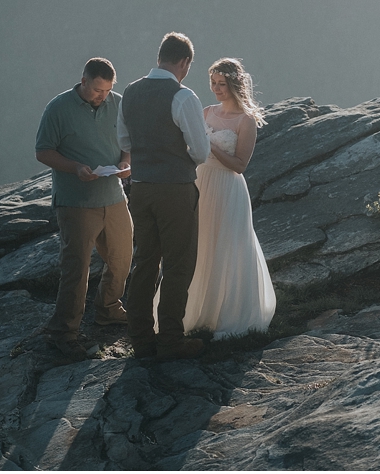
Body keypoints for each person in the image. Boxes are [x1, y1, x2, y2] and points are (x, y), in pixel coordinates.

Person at [156, 58, 276, 339]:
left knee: (227, 246)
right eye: (213, 82)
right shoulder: (207, 111)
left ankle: (225, 314)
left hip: (227, 187)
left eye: (221, 83)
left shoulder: (246, 121)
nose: (216, 88)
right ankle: (192, 312)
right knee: (197, 245)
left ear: (234, 84)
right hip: (199, 182)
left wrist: (209, 145)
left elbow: (240, 164)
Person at [119, 32, 210, 360]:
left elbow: (124, 141)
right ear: (184, 62)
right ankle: (171, 338)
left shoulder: (129, 92)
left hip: (140, 188)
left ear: (160, 56)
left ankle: (140, 339)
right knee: (178, 262)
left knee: (144, 261)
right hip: (175, 189)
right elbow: (200, 152)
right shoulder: (183, 96)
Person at [36, 57, 133, 361]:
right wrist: (75, 167)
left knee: (122, 257)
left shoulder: (118, 103)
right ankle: (63, 333)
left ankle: (108, 310)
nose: (101, 96)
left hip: (113, 196)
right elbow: (43, 151)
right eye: (97, 90)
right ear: (84, 81)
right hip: (75, 201)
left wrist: (126, 162)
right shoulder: (58, 108)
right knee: (76, 269)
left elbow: (127, 142)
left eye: (106, 91)